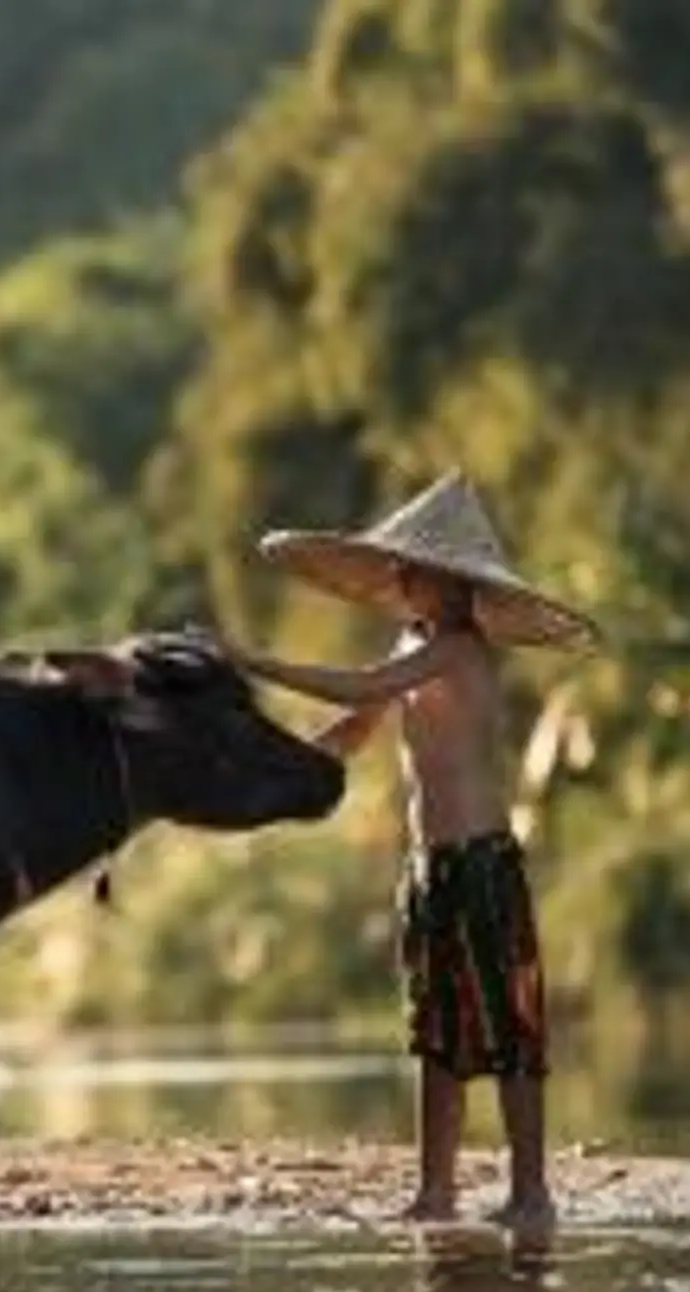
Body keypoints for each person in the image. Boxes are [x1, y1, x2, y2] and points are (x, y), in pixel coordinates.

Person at [229, 470, 598, 1238]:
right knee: (436, 1033)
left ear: (453, 582)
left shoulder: (461, 650)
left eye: (412, 567)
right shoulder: (413, 645)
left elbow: (358, 683)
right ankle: (436, 1191)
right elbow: (354, 727)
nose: (397, 576)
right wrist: (270, 774)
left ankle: (532, 1192)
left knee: (511, 1030)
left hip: (483, 861)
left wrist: (247, 660)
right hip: (429, 868)